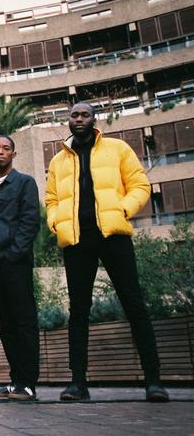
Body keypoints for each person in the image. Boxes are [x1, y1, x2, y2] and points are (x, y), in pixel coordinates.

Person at [45, 102, 169, 402]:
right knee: (78, 312)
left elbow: (140, 185)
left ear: (94, 120)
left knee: (134, 304)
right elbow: (51, 198)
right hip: (76, 240)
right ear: (68, 121)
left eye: (84, 115)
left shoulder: (117, 149)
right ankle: (77, 384)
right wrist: (56, 222)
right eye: (74, 115)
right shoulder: (59, 161)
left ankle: (154, 382)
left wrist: (123, 210)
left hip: (113, 236)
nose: (78, 119)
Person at [0, 135, 41, 401]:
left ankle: (27, 383)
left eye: (6, 148)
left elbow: (30, 222)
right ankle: (16, 380)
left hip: (15, 264)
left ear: (13, 155)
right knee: (5, 324)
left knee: (23, 321)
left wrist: (15, 254)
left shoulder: (24, 183)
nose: (0, 152)